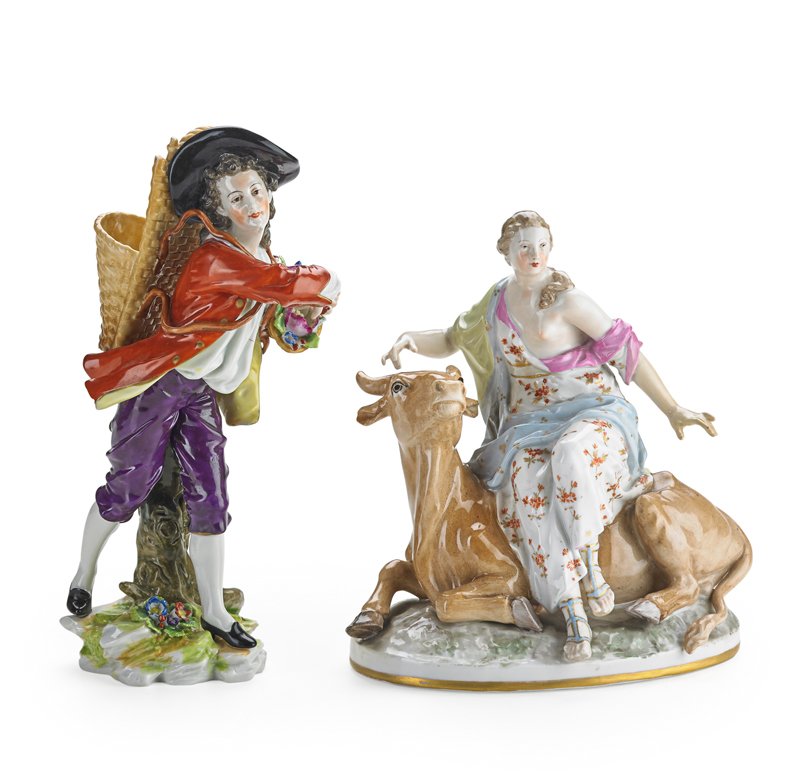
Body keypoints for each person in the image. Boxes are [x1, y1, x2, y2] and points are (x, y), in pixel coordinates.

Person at [381, 210, 714, 661]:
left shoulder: (570, 302)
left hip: (592, 412)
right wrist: (410, 339)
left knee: (572, 456)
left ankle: (590, 562)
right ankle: (570, 605)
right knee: (524, 489)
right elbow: (450, 338)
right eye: (523, 246)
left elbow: (628, 355)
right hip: (528, 427)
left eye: (541, 245)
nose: (533, 254)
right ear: (506, 252)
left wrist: (673, 408)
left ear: (550, 247)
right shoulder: (495, 304)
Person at [67, 128, 340, 648]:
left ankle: (212, 610)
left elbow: (284, 327)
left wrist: (301, 322)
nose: (252, 204)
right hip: (160, 384)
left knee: (211, 496)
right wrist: (324, 288)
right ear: (218, 209)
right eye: (237, 198)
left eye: (257, 191)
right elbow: (299, 285)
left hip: (201, 393)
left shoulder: (264, 263)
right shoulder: (218, 260)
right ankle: (83, 575)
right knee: (128, 485)